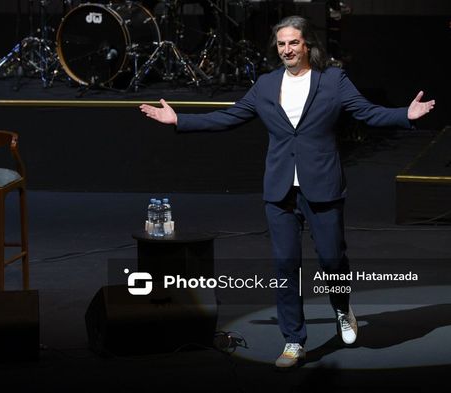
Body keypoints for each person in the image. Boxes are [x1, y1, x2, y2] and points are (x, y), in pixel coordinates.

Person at [139, 15, 435, 368]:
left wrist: (406, 114)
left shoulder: (333, 80)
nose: (287, 49)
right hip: (280, 190)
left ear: (308, 44)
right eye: (281, 44)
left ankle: (342, 309)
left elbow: (367, 113)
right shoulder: (265, 85)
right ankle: (294, 340)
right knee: (286, 267)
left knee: (331, 259)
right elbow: (230, 117)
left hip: (322, 186)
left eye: (293, 42)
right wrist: (180, 121)